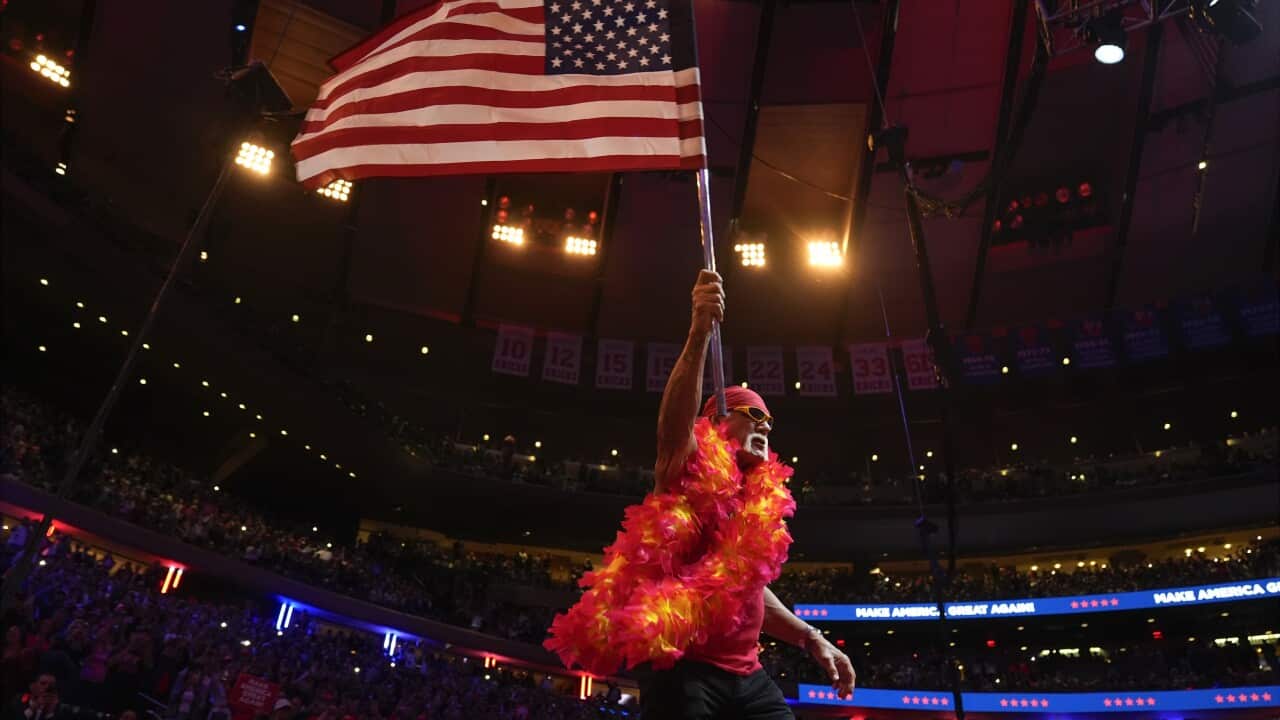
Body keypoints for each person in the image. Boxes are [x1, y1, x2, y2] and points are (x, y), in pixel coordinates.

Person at [546, 270, 854, 719]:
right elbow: (674, 424)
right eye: (753, 414)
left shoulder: (754, 506)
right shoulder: (685, 468)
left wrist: (811, 637)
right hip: (682, 670)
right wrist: (699, 332)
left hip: (749, 676)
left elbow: (751, 594)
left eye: (769, 419)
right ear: (718, 420)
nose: (765, 425)